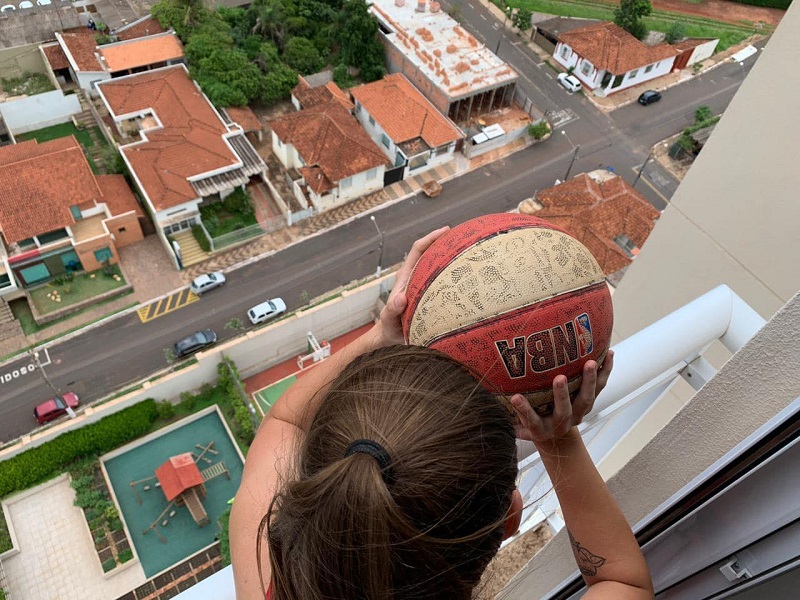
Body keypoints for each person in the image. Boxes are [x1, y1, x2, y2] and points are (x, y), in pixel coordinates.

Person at [230, 228, 653, 600]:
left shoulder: (264, 576)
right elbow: (625, 582)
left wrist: (380, 335)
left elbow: (283, 424)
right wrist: (556, 436)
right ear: (512, 518)